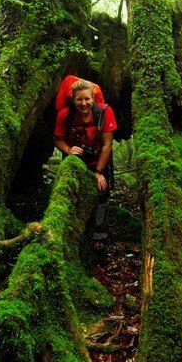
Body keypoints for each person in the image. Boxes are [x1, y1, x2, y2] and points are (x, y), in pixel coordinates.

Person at [53, 79, 118, 241]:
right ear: (73, 99)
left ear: (93, 99)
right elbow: (57, 139)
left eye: (87, 99)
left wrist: (98, 172)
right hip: (75, 161)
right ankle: (73, 232)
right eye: (79, 99)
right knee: (73, 191)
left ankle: (99, 234)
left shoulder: (104, 112)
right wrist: (68, 150)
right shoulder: (65, 115)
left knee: (102, 192)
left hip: (99, 160)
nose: (83, 103)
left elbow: (107, 144)